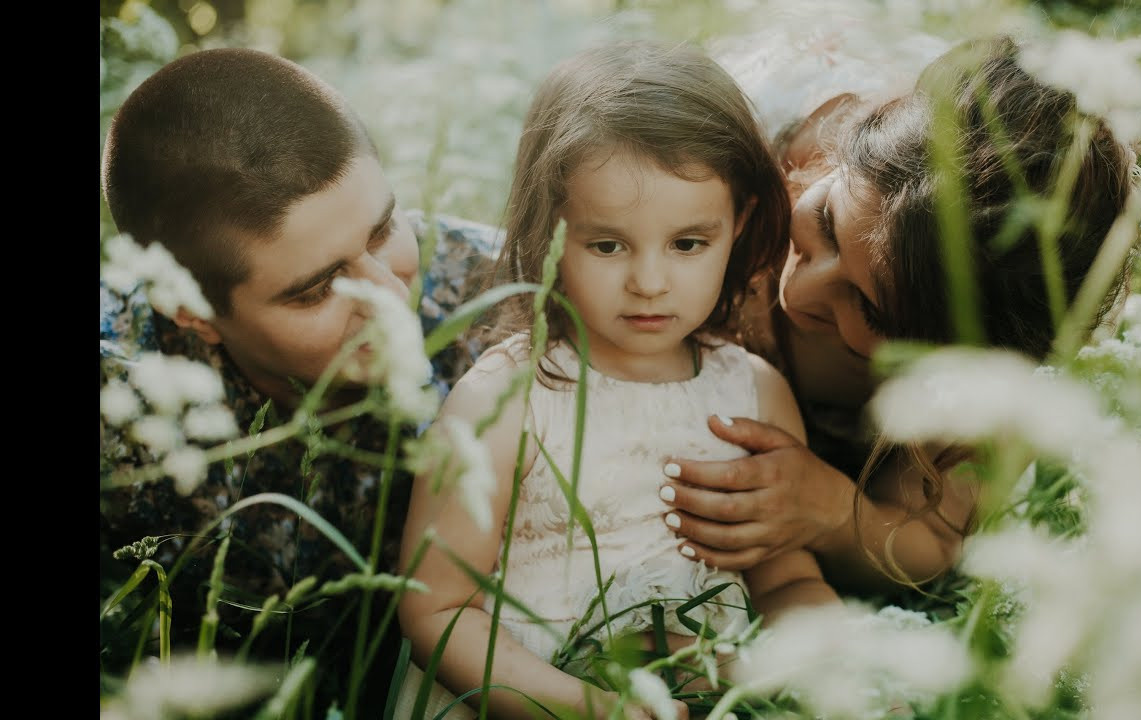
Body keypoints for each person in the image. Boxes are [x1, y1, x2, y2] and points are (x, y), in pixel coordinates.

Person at [395, 41, 840, 720]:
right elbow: (437, 610)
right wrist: (590, 708)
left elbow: (787, 579)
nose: (650, 282)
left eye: (688, 243)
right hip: (530, 698)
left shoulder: (754, 395)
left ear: (739, 222)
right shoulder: (506, 398)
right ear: (551, 231)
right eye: (608, 245)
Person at [657, 35, 1140, 595]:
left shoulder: (981, 388)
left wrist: (834, 512)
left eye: (870, 309)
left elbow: (932, 543)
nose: (801, 290)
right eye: (828, 224)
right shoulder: (759, 146)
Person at [98, 47, 501, 716]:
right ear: (192, 313)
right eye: (317, 289)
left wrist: (741, 468)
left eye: (382, 232)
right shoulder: (122, 401)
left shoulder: (501, 291)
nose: (389, 298)